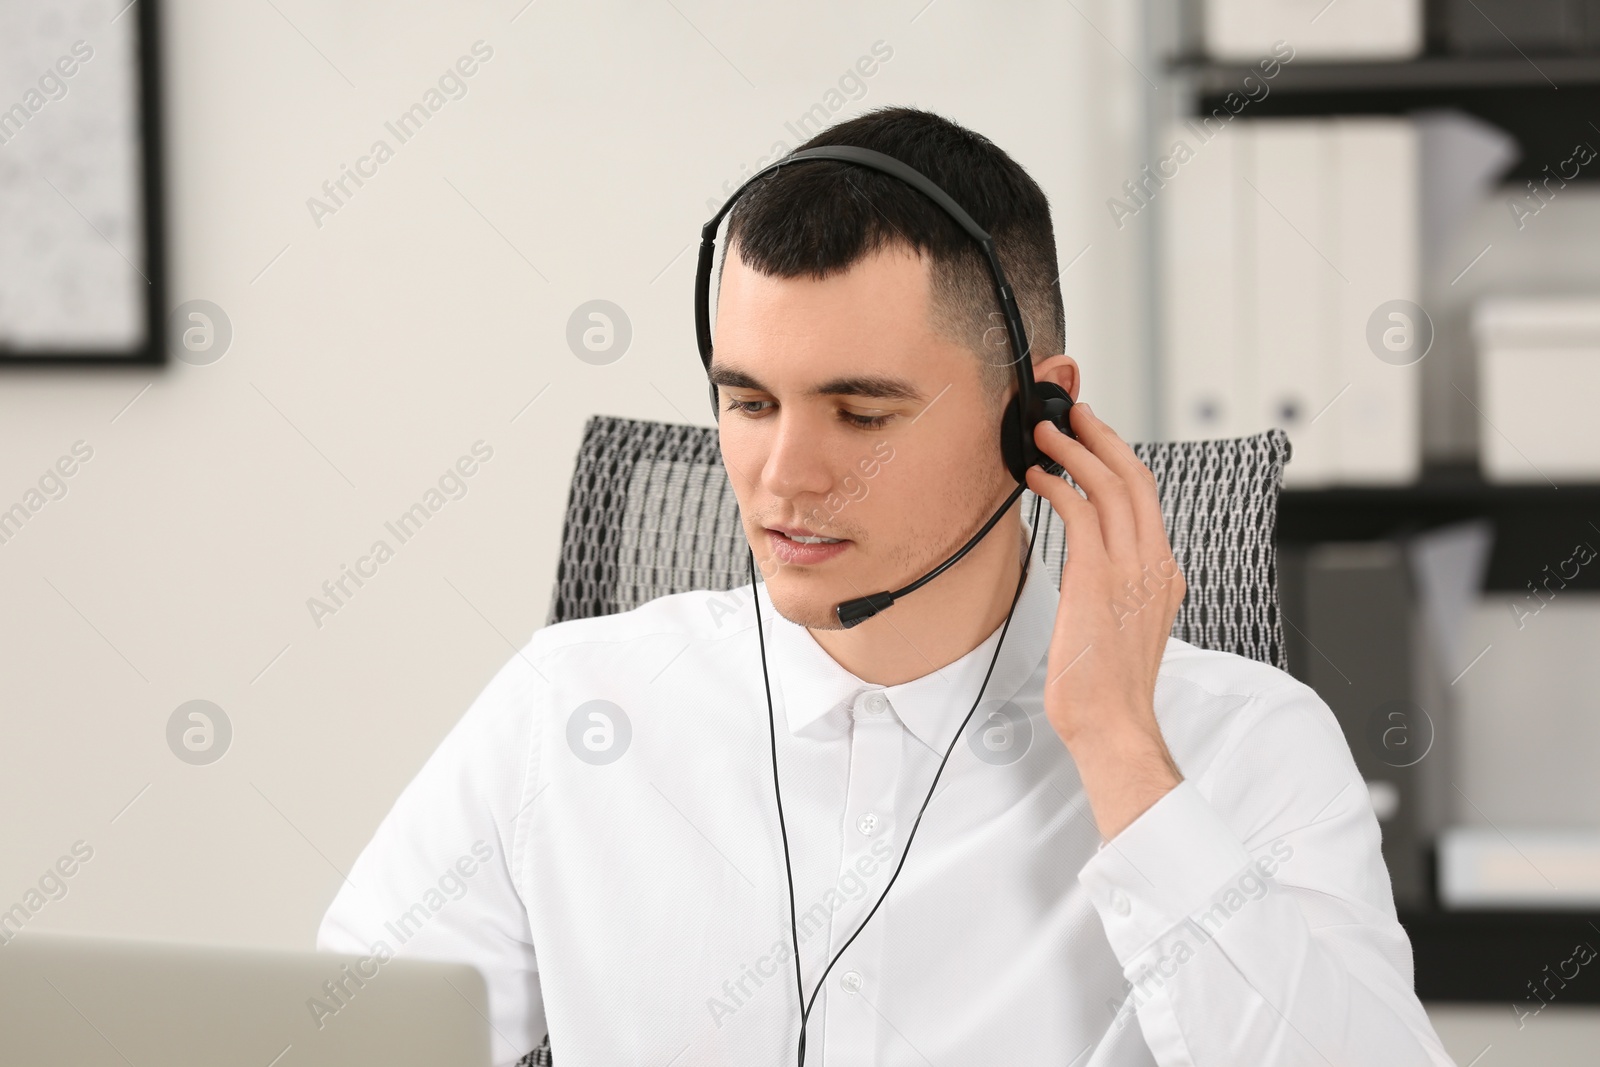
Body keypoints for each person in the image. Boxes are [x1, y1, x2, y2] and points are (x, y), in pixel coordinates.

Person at [319, 106, 1456, 1066]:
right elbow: (342, 1040)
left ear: (1037, 415)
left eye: (861, 414)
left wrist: (1116, 746)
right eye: (747, 401)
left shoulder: (1239, 745)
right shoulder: (569, 711)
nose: (780, 476)